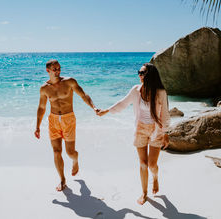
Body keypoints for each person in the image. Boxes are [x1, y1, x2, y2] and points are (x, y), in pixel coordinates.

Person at [97, 63, 170, 205]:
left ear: (150, 75)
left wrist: (166, 133)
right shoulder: (136, 90)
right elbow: (122, 103)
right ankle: (144, 193)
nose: (139, 75)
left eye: (142, 73)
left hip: (156, 130)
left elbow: (165, 114)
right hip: (140, 129)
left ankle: (155, 178)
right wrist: (106, 111)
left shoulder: (160, 92)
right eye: (139, 72)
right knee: (143, 164)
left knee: (152, 165)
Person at [35, 59, 99, 191]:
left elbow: (83, 95)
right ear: (48, 71)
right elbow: (41, 107)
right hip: (53, 120)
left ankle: (75, 160)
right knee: (56, 151)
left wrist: (94, 107)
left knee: (70, 152)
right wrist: (37, 126)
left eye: (59, 68)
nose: (58, 71)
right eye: (55, 69)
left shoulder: (69, 82)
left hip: (68, 119)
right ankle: (62, 179)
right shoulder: (44, 88)